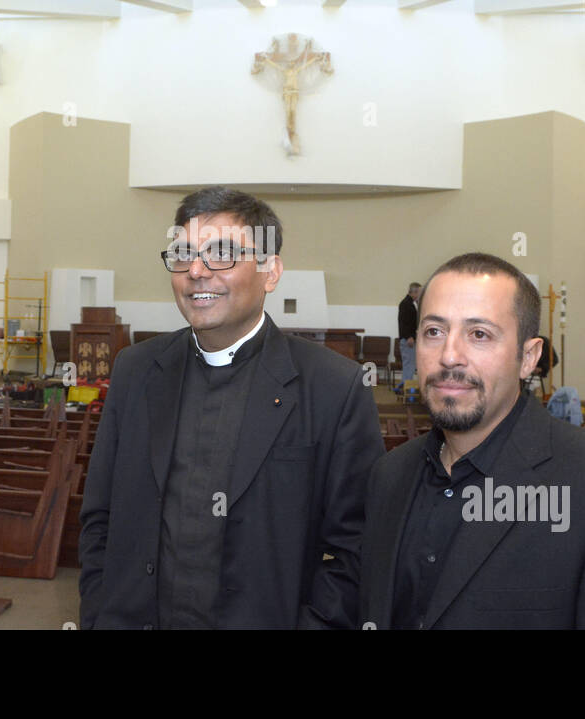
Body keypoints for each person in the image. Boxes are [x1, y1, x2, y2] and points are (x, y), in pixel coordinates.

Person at [78, 187, 383, 629]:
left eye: (221, 254)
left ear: (270, 272)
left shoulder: (333, 387)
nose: (196, 271)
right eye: (183, 254)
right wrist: (97, 616)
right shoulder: (136, 369)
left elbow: (355, 548)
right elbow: (99, 516)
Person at [359, 252, 585, 629]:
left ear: (529, 357)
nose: (449, 356)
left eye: (479, 334)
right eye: (434, 331)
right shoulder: (388, 475)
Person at [397, 282, 420, 383]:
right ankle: (405, 387)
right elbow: (404, 323)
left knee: (410, 366)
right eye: (419, 292)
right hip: (408, 340)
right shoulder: (405, 304)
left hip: (410, 338)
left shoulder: (411, 304)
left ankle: (406, 386)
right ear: (413, 292)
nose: (420, 294)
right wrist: (409, 337)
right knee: (409, 366)